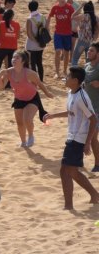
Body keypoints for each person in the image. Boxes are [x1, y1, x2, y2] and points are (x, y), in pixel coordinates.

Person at [43, 67, 99, 210]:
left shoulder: (82, 97)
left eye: (68, 76)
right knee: (67, 170)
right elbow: (71, 112)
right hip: (72, 136)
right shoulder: (71, 93)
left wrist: (87, 143)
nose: (66, 78)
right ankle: (90, 196)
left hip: (78, 139)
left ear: (75, 81)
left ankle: (72, 204)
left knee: (69, 171)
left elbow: (93, 119)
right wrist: (53, 115)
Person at [0, 51, 53, 147]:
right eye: (13, 58)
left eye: (17, 58)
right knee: (20, 123)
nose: (14, 59)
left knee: (27, 119)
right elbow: (1, 87)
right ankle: (23, 142)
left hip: (32, 98)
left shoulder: (29, 73)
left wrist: (47, 93)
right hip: (19, 99)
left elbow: (40, 84)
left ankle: (31, 135)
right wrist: (0, 75)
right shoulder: (9, 72)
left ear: (23, 61)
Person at [47, 0, 78, 79]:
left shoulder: (69, 7)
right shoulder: (55, 7)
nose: (63, 0)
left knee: (66, 53)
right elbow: (49, 16)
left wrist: (77, 26)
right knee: (57, 52)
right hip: (58, 33)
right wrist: (47, 28)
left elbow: (75, 16)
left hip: (68, 34)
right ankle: (57, 72)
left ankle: (64, 71)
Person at [0, 9, 20, 88]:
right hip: (13, 47)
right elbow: (18, 37)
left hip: (3, 47)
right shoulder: (17, 24)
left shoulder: (1, 24)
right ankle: (9, 84)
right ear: (12, 16)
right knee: (10, 66)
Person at [82, 42, 99, 172]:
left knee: (92, 137)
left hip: (97, 108)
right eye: (89, 51)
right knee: (86, 136)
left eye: (92, 51)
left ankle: (98, 164)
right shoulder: (86, 66)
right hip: (87, 108)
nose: (89, 52)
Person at [71, 1, 98, 66]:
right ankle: (87, 75)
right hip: (90, 42)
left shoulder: (84, 16)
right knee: (88, 61)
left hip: (81, 41)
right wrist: (95, 37)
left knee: (74, 59)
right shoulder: (95, 17)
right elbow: (97, 29)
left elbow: (72, 16)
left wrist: (80, 6)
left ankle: (75, 74)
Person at [25, 0, 46, 81]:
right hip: (41, 44)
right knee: (39, 62)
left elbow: (29, 34)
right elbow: (46, 30)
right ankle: (41, 79)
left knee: (32, 63)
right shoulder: (43, 17)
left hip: (32, 44)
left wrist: (35, 41)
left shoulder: (30, 19)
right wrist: (39, 41)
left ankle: (34, 80)